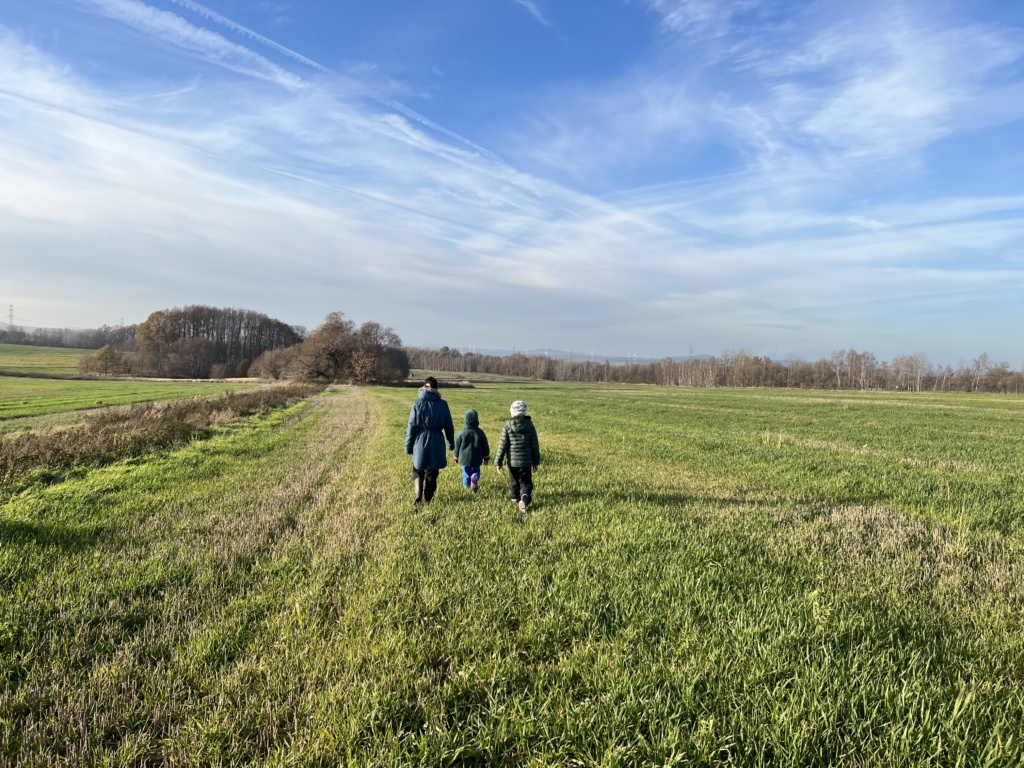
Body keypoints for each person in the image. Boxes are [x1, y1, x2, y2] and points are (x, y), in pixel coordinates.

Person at [404, 376, 455, 504]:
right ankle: (428, 498)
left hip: (420, 440)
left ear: (424, 387)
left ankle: (418, 495)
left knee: (418, 468)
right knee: (432, 472)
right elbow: (449, 426)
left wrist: (408, 446)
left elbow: (411, 426)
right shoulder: (443, 404)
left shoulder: (417, 403)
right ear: (436, 388)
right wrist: (450, 444)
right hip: (437, 441)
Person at [494, 399, 541, 514]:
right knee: (526, 483)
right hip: (526, 462)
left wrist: (498, 462)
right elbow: (535, 445)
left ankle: (514, 499)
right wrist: (536, 461)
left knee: (514, 481)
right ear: (524, 412)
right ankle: (524, 499)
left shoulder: (507, 426)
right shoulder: (530, 426)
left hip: (512, 462)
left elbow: (502, 445)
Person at [453, 409, 490, 493]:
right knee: (476, 470)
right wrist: (486, 457)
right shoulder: (480, 432)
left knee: (466, 474)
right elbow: (485, 446)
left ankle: (467, 489)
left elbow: (457, 446)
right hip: (477, 458)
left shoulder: (461, 432)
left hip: (464, 459)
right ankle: (475, 477)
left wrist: (456, 457)